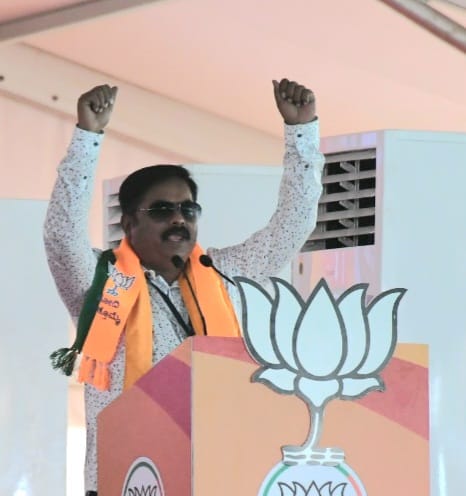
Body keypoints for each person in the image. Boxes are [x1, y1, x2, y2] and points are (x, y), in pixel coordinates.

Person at [44, 78, 325, 495]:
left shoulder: (225, 273)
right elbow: (62, 232)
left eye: (187, 209)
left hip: (215, 475)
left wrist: (302, 133)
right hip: (126, 478)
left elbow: (292, 226)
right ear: (129, 224)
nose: (179, 219)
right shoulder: (102, 283)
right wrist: (88, 137)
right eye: (161, 209)